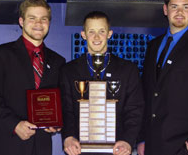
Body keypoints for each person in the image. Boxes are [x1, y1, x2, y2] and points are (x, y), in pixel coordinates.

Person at [0, 0, 66, 155]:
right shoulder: (0, 55)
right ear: (21, 21)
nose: (38, 24)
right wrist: (14, 125)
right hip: (8, 145)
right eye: (32, 18)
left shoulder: (58, 61)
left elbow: (60, 101)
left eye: (44, 19)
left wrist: (56, 123)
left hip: (42, 147)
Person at [137, 0, 188, 155]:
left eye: (185, 7)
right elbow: (147, 96)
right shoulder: (153, 46)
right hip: (151, 147)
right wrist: (141, 139)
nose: (180, 12)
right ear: (165, 10)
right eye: (174, 6)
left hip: (184, 149)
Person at [60, 11, 144, 155]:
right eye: (91, 31)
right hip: (79, 150)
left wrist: (127, 140)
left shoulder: (129, 70)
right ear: (83, 34)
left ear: (109, 34)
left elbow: (134, 110)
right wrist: (68, 137)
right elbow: (66, 109)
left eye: (101, 31)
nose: (97, 37)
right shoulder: (68, 70)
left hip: (118, 149)